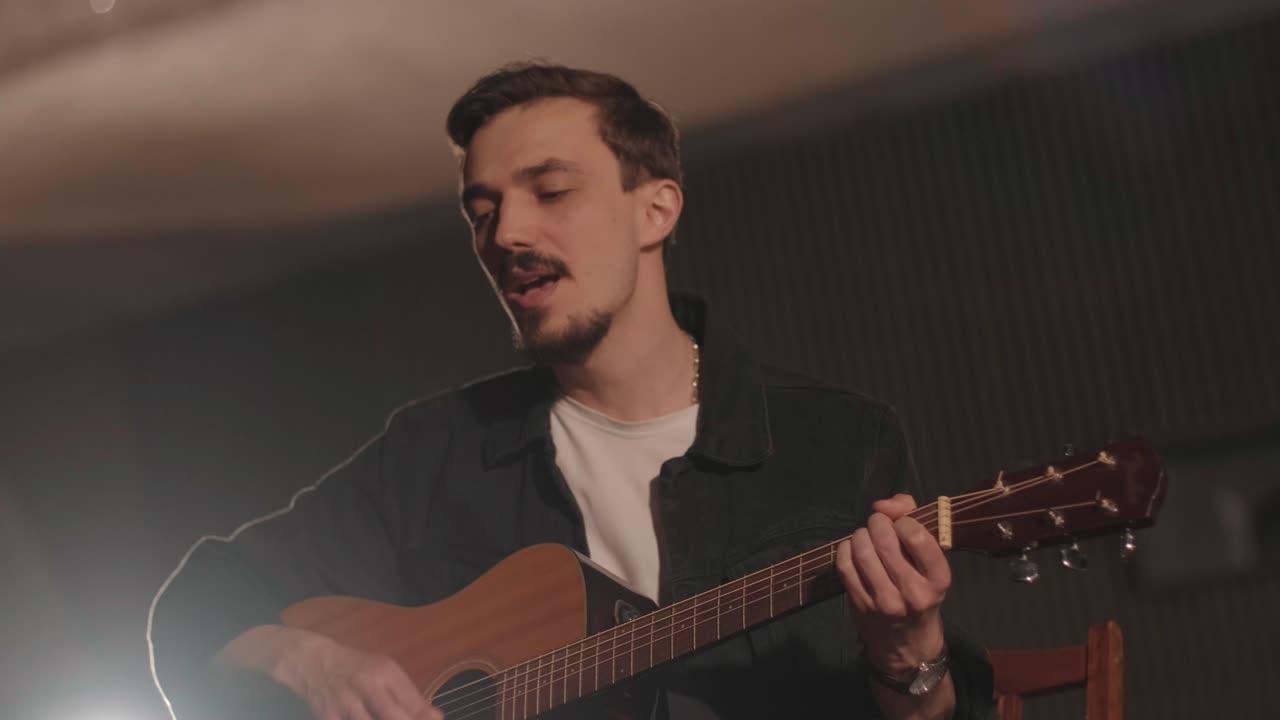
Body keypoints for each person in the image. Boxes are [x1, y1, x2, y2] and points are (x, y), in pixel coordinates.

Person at [148, 62, 993, 720]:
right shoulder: (439, 451)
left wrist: (908, 653)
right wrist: (318, 668)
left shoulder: (835, 441)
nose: (507, 234)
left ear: (655, 210)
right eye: (483, 212)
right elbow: (196, 607)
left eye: (550, 192)